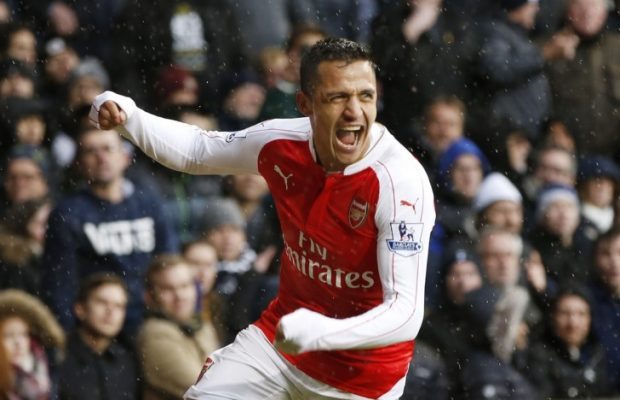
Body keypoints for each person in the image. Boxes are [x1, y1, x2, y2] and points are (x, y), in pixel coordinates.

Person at [92, 38, 435, 400]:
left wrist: (321, 332)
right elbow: (197, 150)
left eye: (365, 96)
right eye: (338, 98)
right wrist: (130, 117)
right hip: (279, 343)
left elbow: (405, 312)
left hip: (362, 381)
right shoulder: (281, 142)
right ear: (305, 105)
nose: (355, 112)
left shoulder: (400, 184)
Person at [41, 126, 179, 335]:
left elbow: (169, 263)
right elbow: (60, 285)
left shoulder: (149, 204)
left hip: (152, 322)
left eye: (107, 149)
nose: (101, 157)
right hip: (96, 328)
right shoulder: (67, 213)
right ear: (79, 163)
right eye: (91, 151)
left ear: (125, 157)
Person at [139, 255, 220, 400]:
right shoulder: (154, 332)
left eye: (185, 286)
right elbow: (206, 389)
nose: (180, 296)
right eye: (168, 289)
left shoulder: (201, 325)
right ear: (150, 296)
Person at [58, 273, 140, 400]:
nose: (110, 311)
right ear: (80, 309)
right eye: (102, 302)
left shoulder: (129, 359)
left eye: (118, 306)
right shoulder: (58, 356)